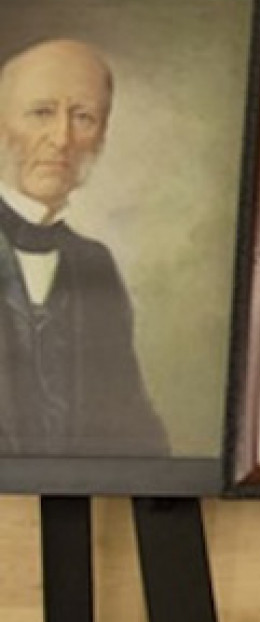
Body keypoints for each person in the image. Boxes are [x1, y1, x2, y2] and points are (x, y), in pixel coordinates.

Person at [0, 39, 167, 457]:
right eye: (41, 112)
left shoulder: (96, 265)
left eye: (83, 117)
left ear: (103, 137)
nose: (62, 138)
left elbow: (130, 420)